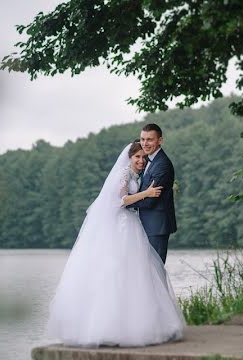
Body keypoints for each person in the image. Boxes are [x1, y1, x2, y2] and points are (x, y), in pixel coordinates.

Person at [45, 140, 185, 347]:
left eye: (143, 157)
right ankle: (107, 328)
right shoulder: (123, 175)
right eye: (137, 157)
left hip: (133, 225)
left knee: (138, 274)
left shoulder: (139, 175)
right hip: (121, 226)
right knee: (115, 272)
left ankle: (139, 324)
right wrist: (146, 194)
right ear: (129, 158)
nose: (141, 160)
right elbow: (122, 200)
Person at [125, 124, 176, 263]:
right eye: (142, 139)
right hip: (144, 224)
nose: (145, 143)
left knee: (155, 270)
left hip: (156, 226)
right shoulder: (147, 159)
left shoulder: (162, 164)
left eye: (150, 139)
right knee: (145, 270)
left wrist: (124, 202)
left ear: (160, 141)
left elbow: (150, 200)